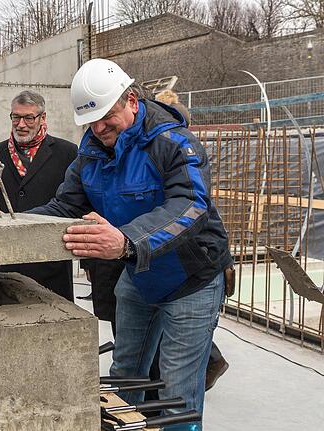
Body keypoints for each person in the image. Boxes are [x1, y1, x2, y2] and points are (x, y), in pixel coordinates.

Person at [30, 58, 233, 430]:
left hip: (192, 279)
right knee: (125, 377)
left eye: (108, 116)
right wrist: (15, 221)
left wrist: (126, 241)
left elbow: (190, 204)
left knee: (176, 391)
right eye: (91, 121)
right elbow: (65, 205)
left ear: (132, 101)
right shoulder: (90, 153)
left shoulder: (173, 143)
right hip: (140, 277)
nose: (100, 127)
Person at [154, 89, 230, 392]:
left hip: (195, 261)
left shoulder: (181, 148)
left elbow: (201, 213)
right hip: (179, 257)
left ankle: (211, 362)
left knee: (183, 344)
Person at [0, 90, 78, 300]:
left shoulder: (67, 152)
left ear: (42, 118)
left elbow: (79, 203)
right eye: (16, 117)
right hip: (9, 261)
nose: (21, 124)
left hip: (52, 263)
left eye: (28, 118)